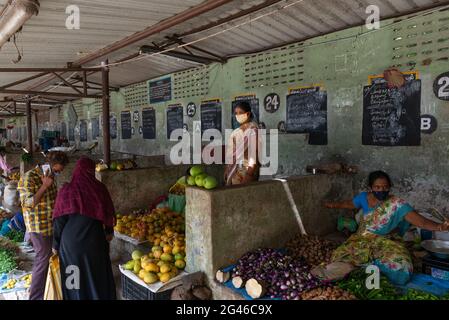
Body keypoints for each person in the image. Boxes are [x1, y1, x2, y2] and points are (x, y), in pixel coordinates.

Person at [319, 170, 449, 285]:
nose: (381, 190)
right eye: (377, 187)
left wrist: (440, 227)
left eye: (385, 187)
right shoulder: (363, 198)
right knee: (338, 258)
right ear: (371, 187)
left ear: (389, 187)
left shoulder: (397, 204)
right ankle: (369, 270)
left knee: (403, 269)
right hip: (362, 240)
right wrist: (332, 205)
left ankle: (369, 269)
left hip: (388, 240)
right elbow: (348, 204)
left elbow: (421, 222)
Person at [52, 157, 116, 300]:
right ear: (92, 171)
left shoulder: (67, 190)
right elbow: (108, 214)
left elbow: (59, 221)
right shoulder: (100, 189)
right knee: (95, 277)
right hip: (95, 243)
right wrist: (109, 232)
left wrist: (55, 245)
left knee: (73, 278)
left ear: (76, 170)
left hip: (71, 246)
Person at [17, 151, 69, 300]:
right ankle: (35, 296)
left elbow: (52, 200)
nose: (59, 172)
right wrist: (44, 186)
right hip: (39, 228)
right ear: (51, 164)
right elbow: (28, 203)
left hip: (51, 224)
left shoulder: (51, 176)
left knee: (49, 258)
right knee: (42, 259)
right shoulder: (29, 177)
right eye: (58, 170)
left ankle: (48, 290)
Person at [224, 101, 260, 186]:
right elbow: (230, 153)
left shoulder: (253, 130)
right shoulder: (236, 132)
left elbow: (254, 154)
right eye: (236, 113)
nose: (238, 115)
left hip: (247, 172)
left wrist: (249, 174)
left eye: (240, 112)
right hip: (234, 172)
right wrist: (227, 169)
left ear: (247, 114)